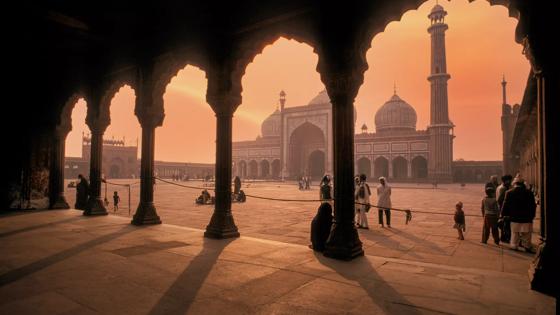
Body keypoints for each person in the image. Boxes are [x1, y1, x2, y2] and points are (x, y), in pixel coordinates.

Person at [501, 176, 536, 252]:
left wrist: (502, 215)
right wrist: (532, 215)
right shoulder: (529, 192)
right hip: (526, 217)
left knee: (515, 232)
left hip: (514, 217)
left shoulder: (509, 192)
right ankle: (527, 246)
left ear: (515, 183)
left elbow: (505, 204)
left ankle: (514, 245)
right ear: (523, 184)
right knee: (527, 233)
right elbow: (533, 205)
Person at [310, 175, 333, 252]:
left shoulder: (322, 187)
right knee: (328, 215)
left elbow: (320, 196)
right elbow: (332, 196)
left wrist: (321, 202)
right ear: (328, 181)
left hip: (323, 202)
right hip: (329, 202)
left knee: (322, 215)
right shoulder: (330, 187)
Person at [497, 174, 513, 243]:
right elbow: (501, 200)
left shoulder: (499, 187)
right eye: (509, 180)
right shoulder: (503, 188)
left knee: (503, 223)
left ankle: (504, 237)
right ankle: (505, 237)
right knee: (505, 223)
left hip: (501, 207)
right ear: (506, 181)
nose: (510, 182)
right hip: (503, 208)